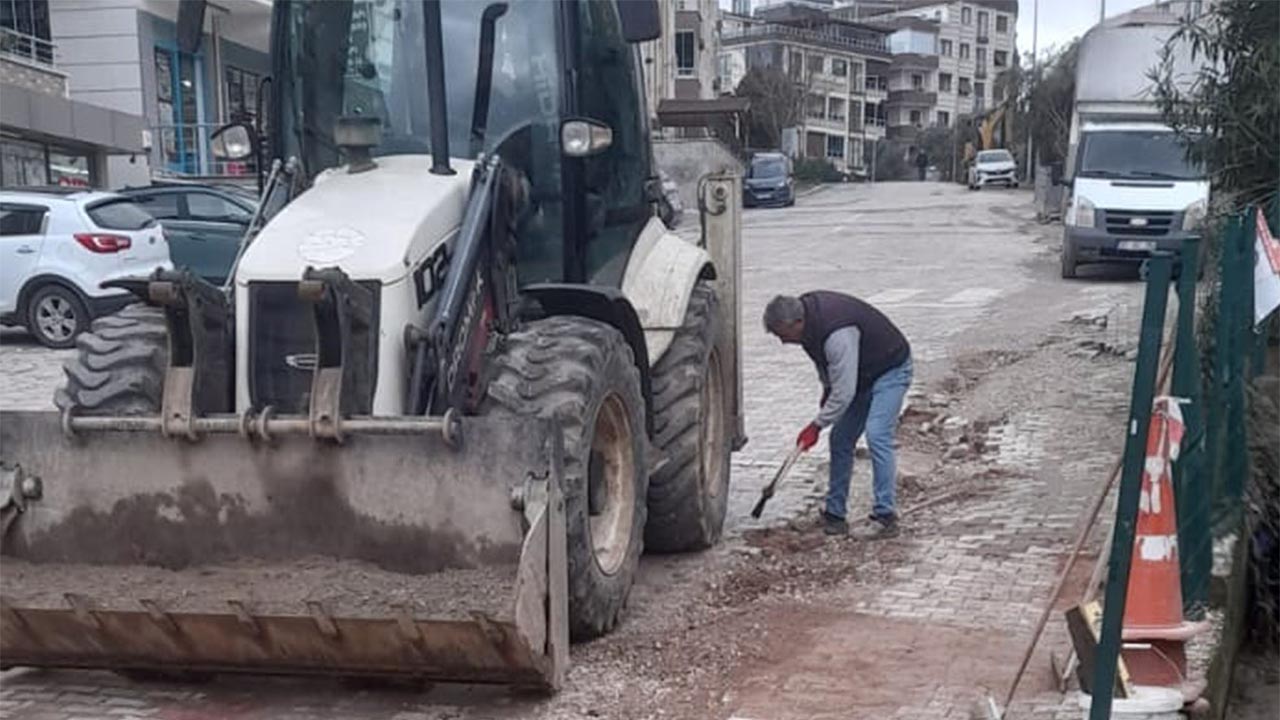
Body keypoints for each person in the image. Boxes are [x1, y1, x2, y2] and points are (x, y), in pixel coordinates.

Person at [763, 292, 913, 537]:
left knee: (877, 435)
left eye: (782, 334)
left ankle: (886, 517)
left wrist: (817, 424)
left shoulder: (837, 333)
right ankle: (835, 515)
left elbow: (844, 392)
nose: (782, 341)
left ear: (796, 323)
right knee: (840, 439)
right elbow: (825, 365)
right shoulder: (807, 327)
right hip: (861, 375)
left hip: (890, 369)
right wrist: (826, 390)